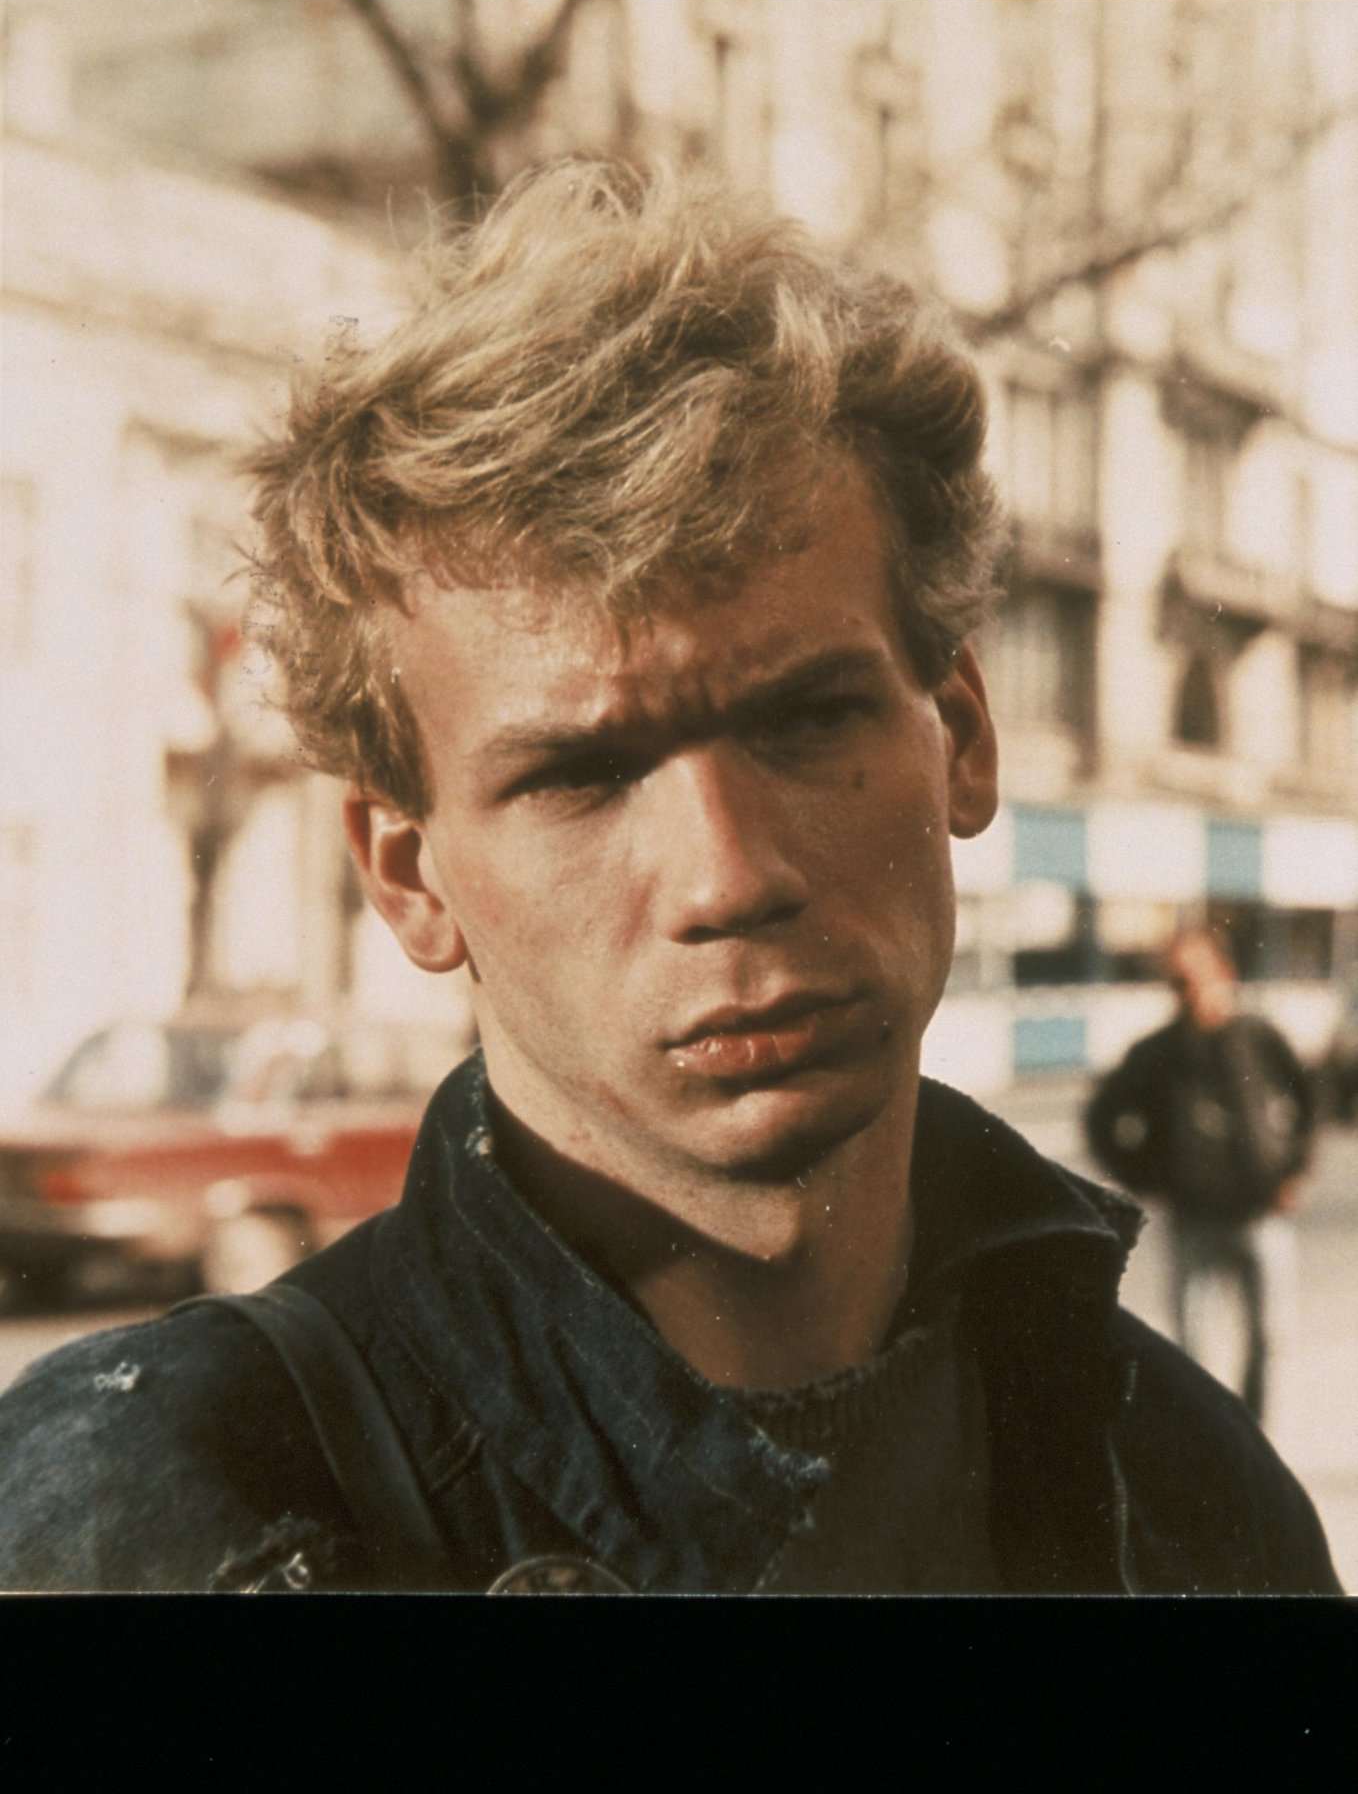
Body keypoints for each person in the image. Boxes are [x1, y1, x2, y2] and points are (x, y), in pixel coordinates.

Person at [0, 160, 1339, 1594]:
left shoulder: (1192, 1492)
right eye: (576, 775)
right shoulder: (156, 1508)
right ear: (408, 875)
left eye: (805, 718)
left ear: (957, 734)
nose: (727, 874)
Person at [1084, 929, 1315, 1423]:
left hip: (1258, 1212)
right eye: (1178, 983)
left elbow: (1311, 1099)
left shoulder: (1257, 1037)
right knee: (1194, 1348)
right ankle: (1212, 1443)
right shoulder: (1157, 1052)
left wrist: (1294, 1170)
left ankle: (1254, 1438)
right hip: (1194, 1220)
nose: (1190, 992)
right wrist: (1146, 1176)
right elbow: (1101, 1119)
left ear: (1224, 974)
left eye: (1198, 978)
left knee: (1270, 1337)